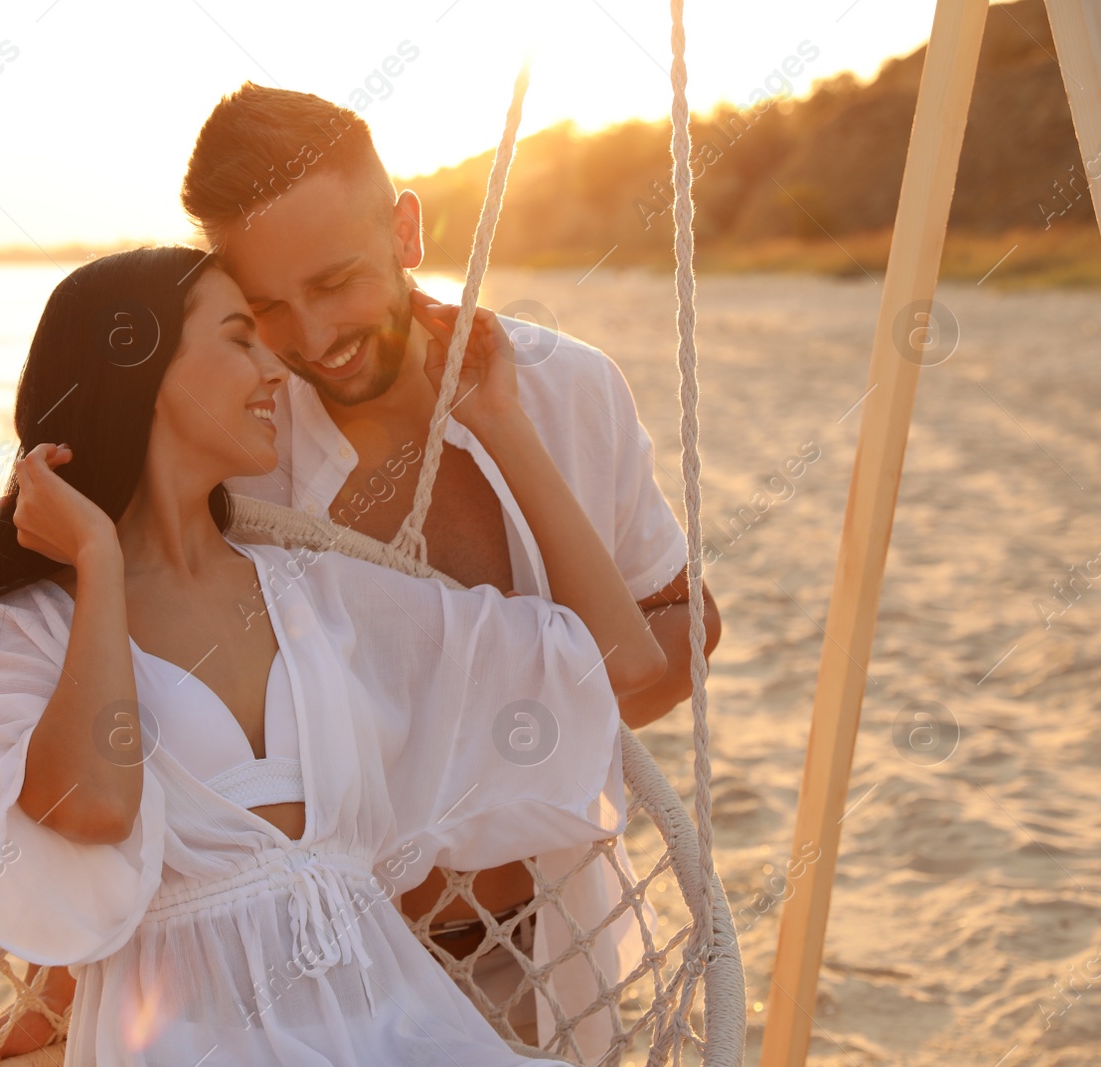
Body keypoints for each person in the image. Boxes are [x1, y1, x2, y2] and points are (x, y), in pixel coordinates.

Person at [0, 245, 665, 1065]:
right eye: (240, 338)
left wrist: (498, 423)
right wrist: (98, 561)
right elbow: (97, 807)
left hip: (402, 1030)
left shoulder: (319, 595)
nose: (275, 368)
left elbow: (621, 663)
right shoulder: (26, 630)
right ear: (140, 367)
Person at [180, 84, 723, 1049]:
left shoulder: (567, 387)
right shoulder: (240, 447)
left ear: (406, 227)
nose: (311, 338)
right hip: (307, 964)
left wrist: (502, 430)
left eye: (336, 280)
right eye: (267, 306)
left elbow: (677, 636)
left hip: (538, 936)